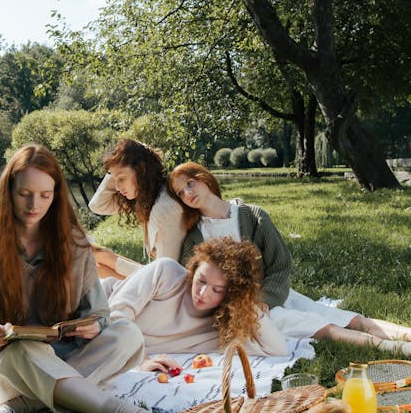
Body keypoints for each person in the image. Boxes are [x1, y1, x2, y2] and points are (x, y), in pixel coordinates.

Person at [0, 144, 171, 413]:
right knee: (25, 350)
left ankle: (10, 411)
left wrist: (94, 324)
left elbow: (100, 313)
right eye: (24, 193)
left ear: (56, 194)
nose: (34, 205)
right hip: (8, 362)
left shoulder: (74, 243)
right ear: (8, 191)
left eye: (45, 195)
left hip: (64, 355)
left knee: (128, 335)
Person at [168, 162, 411, 355]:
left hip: (276, 294)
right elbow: (192, 285)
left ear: (204, 178)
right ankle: (397, 349)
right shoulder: (196, 237)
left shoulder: (252, 215)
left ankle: (406, 335)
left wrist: (266, 299)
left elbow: (281, 265)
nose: (188, 193)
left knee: (351, 319)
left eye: (190, 184)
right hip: (249, 311)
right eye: (181, 192)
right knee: (327, 328)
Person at [106, 238, 290, 374]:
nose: (202, 294)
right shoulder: (166, 273)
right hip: (94, 305)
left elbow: (277, 350)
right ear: (194, 269)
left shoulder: (223, 324)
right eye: (201, 280)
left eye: (217, 290)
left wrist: (247, 302)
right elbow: (115, 315)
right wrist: (141, 361)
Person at [89, 138, 186, 276]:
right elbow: (97, 205)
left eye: (121, 179)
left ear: (141, 170)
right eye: (115, 180)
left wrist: (112, 260)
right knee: (98, 265)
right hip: (161, 277)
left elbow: (167, 278)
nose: (117, 187)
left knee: (100, 264)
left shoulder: (166, 209)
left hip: (174, 287)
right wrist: (116, 167)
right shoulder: (146, 198)